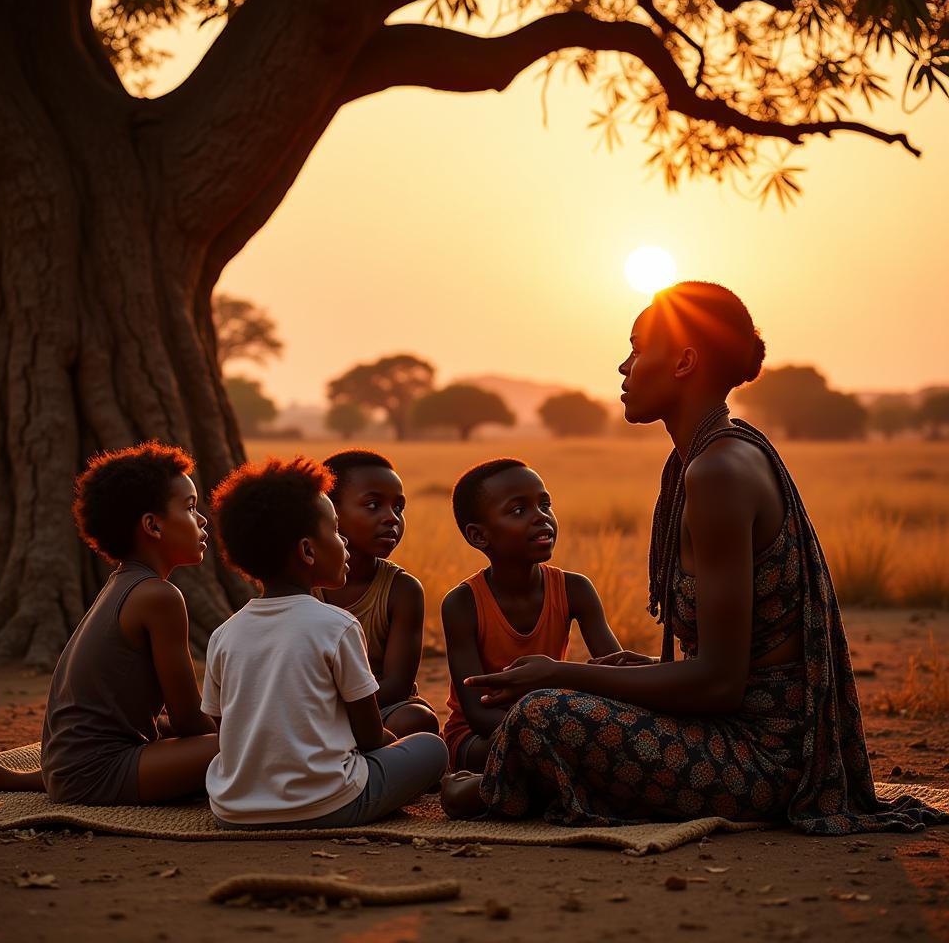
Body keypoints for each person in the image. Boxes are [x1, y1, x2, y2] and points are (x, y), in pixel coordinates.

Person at [443, 282, 948, 834]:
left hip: (766, 759)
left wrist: (565, 675)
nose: (623, 366)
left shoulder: (718, 472)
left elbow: (719, 686)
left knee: (543, 715)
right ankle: (523, 778)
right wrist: (615, 671)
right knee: (564, 696)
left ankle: (503, 787)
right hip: (735, 731)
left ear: (684, 361)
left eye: (637, 348)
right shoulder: (709, 458)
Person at [0, 443, 219, 804]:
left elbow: (130, 717)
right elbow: (189, 722)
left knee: (176, 732)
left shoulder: (122, 583)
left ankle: (31, 780)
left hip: (66, 766)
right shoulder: (159, 598)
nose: (202, 519)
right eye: (191, 507)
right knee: (245, 747)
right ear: (153, 526)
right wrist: (239, 730)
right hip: (94, 773)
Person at [205, 456, 448, 829]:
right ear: (307, 551)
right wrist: (386, 748)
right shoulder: (337, 625)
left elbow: (226, 731)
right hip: (329, 805)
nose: (344, 543)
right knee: (431, 748)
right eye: (336, 531)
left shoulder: (224, 634)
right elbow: (368, 735)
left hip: (233, 811)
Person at [441, 458, 621, 775]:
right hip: (481, 738)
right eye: (518, 510)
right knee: (533, 759)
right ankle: (476, 787)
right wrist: (549, 733)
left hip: (551, 722)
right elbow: (477, 713)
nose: (541, 517)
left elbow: (616, 673)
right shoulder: (462, 604)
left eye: (544, 504)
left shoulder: (575, 589)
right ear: (479, 536)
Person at [313, 450, 439, 737]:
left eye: (399, 508)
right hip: (310, 708)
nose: (391, 518)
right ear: (330, 511)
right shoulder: (301, 585)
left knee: (415, 721)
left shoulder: (402, 590)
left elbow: (397, 686)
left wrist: (335, 714)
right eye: (373, 505)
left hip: (381, 708)